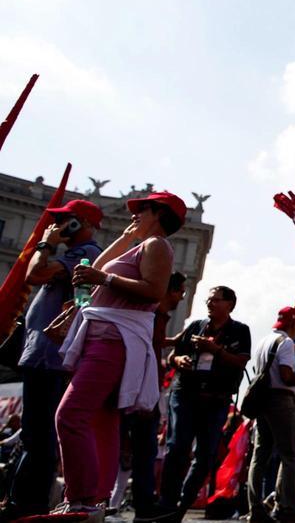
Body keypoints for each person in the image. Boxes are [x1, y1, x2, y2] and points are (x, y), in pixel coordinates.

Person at [55, 192, 184, 520]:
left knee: (70, 415)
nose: (133, 216)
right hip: (108, 341)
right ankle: (95, 501)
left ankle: (81, 499)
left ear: (158, 213)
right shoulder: (142, 244)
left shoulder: (158, 246)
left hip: (112, 343)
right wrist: (126, 240)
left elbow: (153, 290)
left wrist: (106, 279)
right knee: (103, 421)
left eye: (141, 211)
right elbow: (94, 267)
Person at [3, 199, 103, 520]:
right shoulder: (71, 253)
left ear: (81, 223)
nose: (58, 225)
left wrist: (46, 242)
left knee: (41, 436)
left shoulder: (85, 253)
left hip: (52, 357)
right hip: (40, 354)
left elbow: (36, 274)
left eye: (66, 220)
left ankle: (28, 504)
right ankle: (21, 501)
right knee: (34, 435)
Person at [157, 284, 251, 518]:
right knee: (177, 447)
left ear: (229, 304)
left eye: (216, 300)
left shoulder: (240, 330)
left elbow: (240, 362)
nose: (210, 303)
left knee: (206, 455)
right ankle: (166, 504)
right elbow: (172, 356)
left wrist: (215, 350)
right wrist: (179, 360)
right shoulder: (195, 326)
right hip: (185, 394)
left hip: (216, 400)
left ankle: (181, 504)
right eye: (209, 300)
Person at [120, 271, 187, 522]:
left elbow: (153, 344)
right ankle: (143, 507)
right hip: (139, 395)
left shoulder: (156, 315)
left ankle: (144, 507)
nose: (182, 296)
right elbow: (141, 352)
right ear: (172, 291)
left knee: (143, 453)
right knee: (141, 452)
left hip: (143, 392)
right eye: (181, 291)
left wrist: (171, 341)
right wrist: (142, 397)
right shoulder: (152, 313)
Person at [246, 307, 295, 523]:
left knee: (259, 456)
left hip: (262, 401)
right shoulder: (287, 342)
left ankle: (255, 509)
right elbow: (286, 375)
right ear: (293, 323)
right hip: (280, 400)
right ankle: (288, 508)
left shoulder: (265, 341)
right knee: (290, 454)